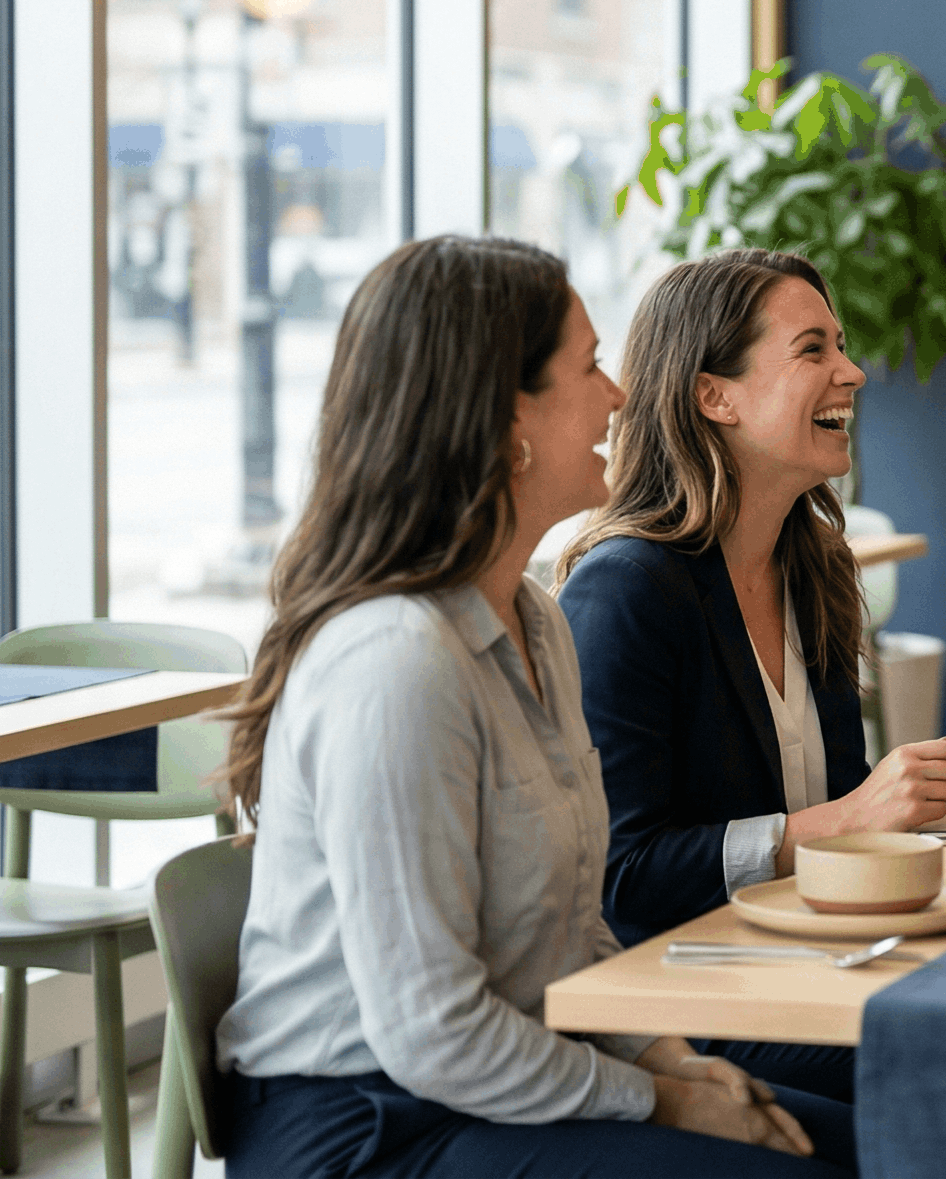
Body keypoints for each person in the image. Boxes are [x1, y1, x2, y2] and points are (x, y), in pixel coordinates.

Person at [209, 235, 851, 1178]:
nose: (621, 396)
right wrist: (662, 1098)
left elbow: (572, 933)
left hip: (509, 1077)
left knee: (886, 1145)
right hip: (369, 1127)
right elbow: (431, 1033)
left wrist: (675, 1063)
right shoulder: (397, 664)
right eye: (588, 367)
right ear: (507, 417)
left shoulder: (536, 624)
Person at [558, 249, 946, 1104]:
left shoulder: (813, 567)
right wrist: (842, 822)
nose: (852, 372)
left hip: (810, 964)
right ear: (716, 396)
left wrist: (922, 820)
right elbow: (621, 877)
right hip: (684, 1005)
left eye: (841, 346)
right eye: (813, 349)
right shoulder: (625, 590)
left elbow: (846, 812)